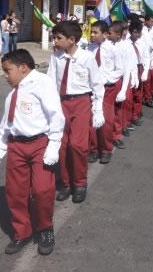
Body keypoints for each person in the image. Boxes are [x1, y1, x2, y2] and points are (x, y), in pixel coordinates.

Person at [0, 49, 64, 255]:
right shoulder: (13, 93)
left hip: (39, 144)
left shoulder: (42, 83)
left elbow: (56, 114)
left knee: (42, 190)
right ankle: (22, 231)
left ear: (23, 68)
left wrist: (54, 143)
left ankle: (45, 228)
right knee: (15, 192)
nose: (5, 75)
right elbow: (8, 122)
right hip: (17, 147)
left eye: (7, 70)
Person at [48, 21, 104, 204]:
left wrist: (98, 110)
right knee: (61, 146)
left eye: (58, 38)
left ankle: (80, 183)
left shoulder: (87, 57)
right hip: (61, 103)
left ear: (72, 40)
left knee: (77, 145)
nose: (54, 41)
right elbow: (50, 82)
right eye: (54, 37)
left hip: (80, 102)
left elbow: (97, 84)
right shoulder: (56, 57)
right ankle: (65, 183)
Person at [87, 20, 126, 159]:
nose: (92, 34)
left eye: (95, 32)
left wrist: (107, 79)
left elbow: (120, 69)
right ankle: (93, 148)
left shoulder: (113, 49)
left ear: (104, 34)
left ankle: (106, 149)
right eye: (91, 32)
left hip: (107, 88)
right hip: (92, 89)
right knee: (91, 119)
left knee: (106, 120)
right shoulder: (89, 49)